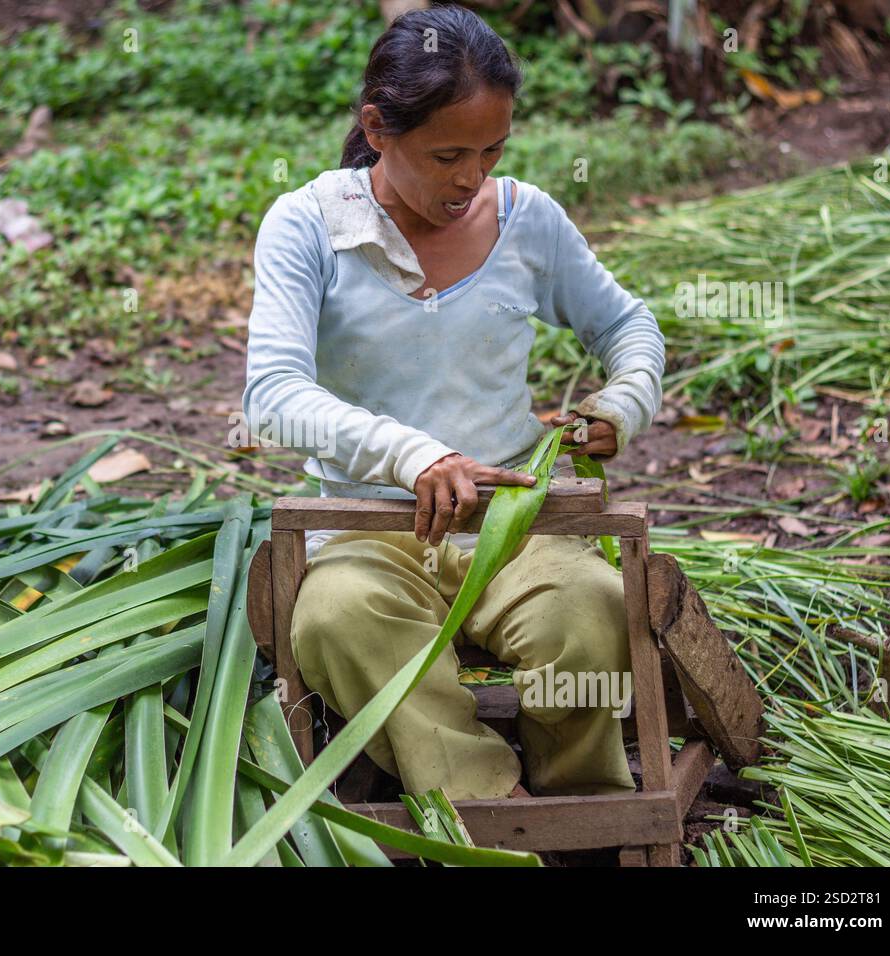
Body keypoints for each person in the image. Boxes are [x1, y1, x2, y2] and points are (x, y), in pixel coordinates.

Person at [241, 5, 665, 800]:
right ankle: (483, 809)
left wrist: (624, 399)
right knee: (337, 621)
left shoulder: (526, 219)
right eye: (446, 155)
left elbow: (627, 323)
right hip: (368, 526)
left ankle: (582, 806)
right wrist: (414, 456)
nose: (471, 178)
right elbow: (271, 397)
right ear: (377, 127)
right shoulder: (308, 226)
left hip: (512, 521)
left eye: (492, 150)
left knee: (591, 613)